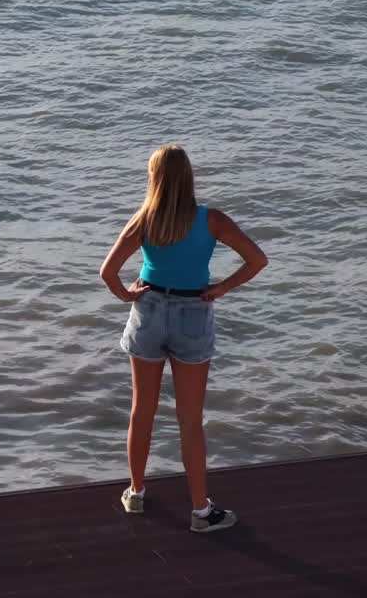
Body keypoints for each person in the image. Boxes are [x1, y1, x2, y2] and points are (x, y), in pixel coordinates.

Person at [99, 144, 267, 532]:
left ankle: (137, 493)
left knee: (143, 410)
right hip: (194, 313)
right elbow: (257, 260)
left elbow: (108, 272)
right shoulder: (211, 220)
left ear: (154, 178)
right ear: (189, 177)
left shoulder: (144, 220)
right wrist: (222, 287)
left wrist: (128, 295)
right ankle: (201, 512)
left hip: (150, 311)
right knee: (190, 421)